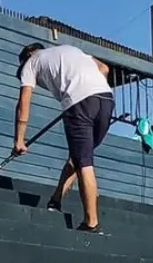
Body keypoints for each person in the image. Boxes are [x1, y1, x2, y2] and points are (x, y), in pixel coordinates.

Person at [13, 42, 113, 233]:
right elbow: (104, 68)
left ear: (29, 54)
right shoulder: (70, 49)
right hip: (106, 98)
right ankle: (56, 199)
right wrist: (89, 90)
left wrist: (19, 140)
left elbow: (23, 103)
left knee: (84, 162)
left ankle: (91, 223)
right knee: (79, 156)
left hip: (80, 103)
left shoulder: (31, 62)